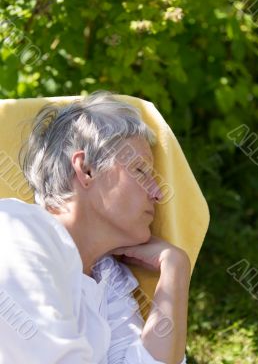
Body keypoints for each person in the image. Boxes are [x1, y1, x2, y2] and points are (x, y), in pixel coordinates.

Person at [0, 91, 191, 364]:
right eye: (140, 170)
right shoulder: (18, 230)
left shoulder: (107, 279)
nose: (158, 192)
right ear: (86, 169)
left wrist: (175, 268)